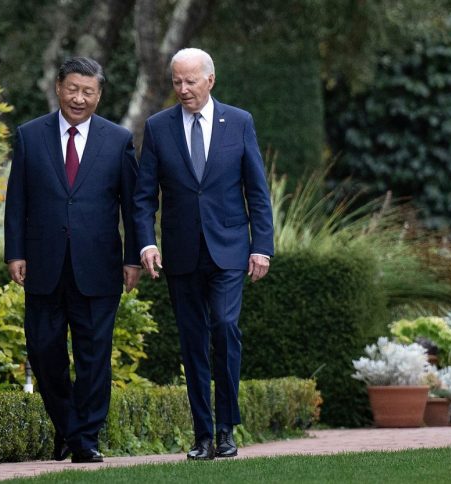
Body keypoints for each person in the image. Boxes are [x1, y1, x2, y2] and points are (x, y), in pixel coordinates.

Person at [133, 48, 274, 460]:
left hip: (229, 249)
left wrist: (262, 246)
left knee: (226, 328)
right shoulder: (158, 128)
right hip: (181, 253)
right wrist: (146, 241)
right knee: (193, 341)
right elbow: (144, 197)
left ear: (210, 80)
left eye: (191, 81)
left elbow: (257, 192)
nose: (183, 89)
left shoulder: (240, 122)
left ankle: (227, 428)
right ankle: (203, 436)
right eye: (177, 81)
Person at [4, 57, 140, 464]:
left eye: (89, 91)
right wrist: (15, 252)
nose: (79, 98)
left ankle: (85, 439)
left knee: (94, 355)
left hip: (99, 267)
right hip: (44, 265)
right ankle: (67, 426)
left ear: (99, 95)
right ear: (58, 87)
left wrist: (133, 257)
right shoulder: (30, 136)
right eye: (72, 89)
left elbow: (132, 207)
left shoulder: (118, 140)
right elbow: (17, 202)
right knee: (44, 352)